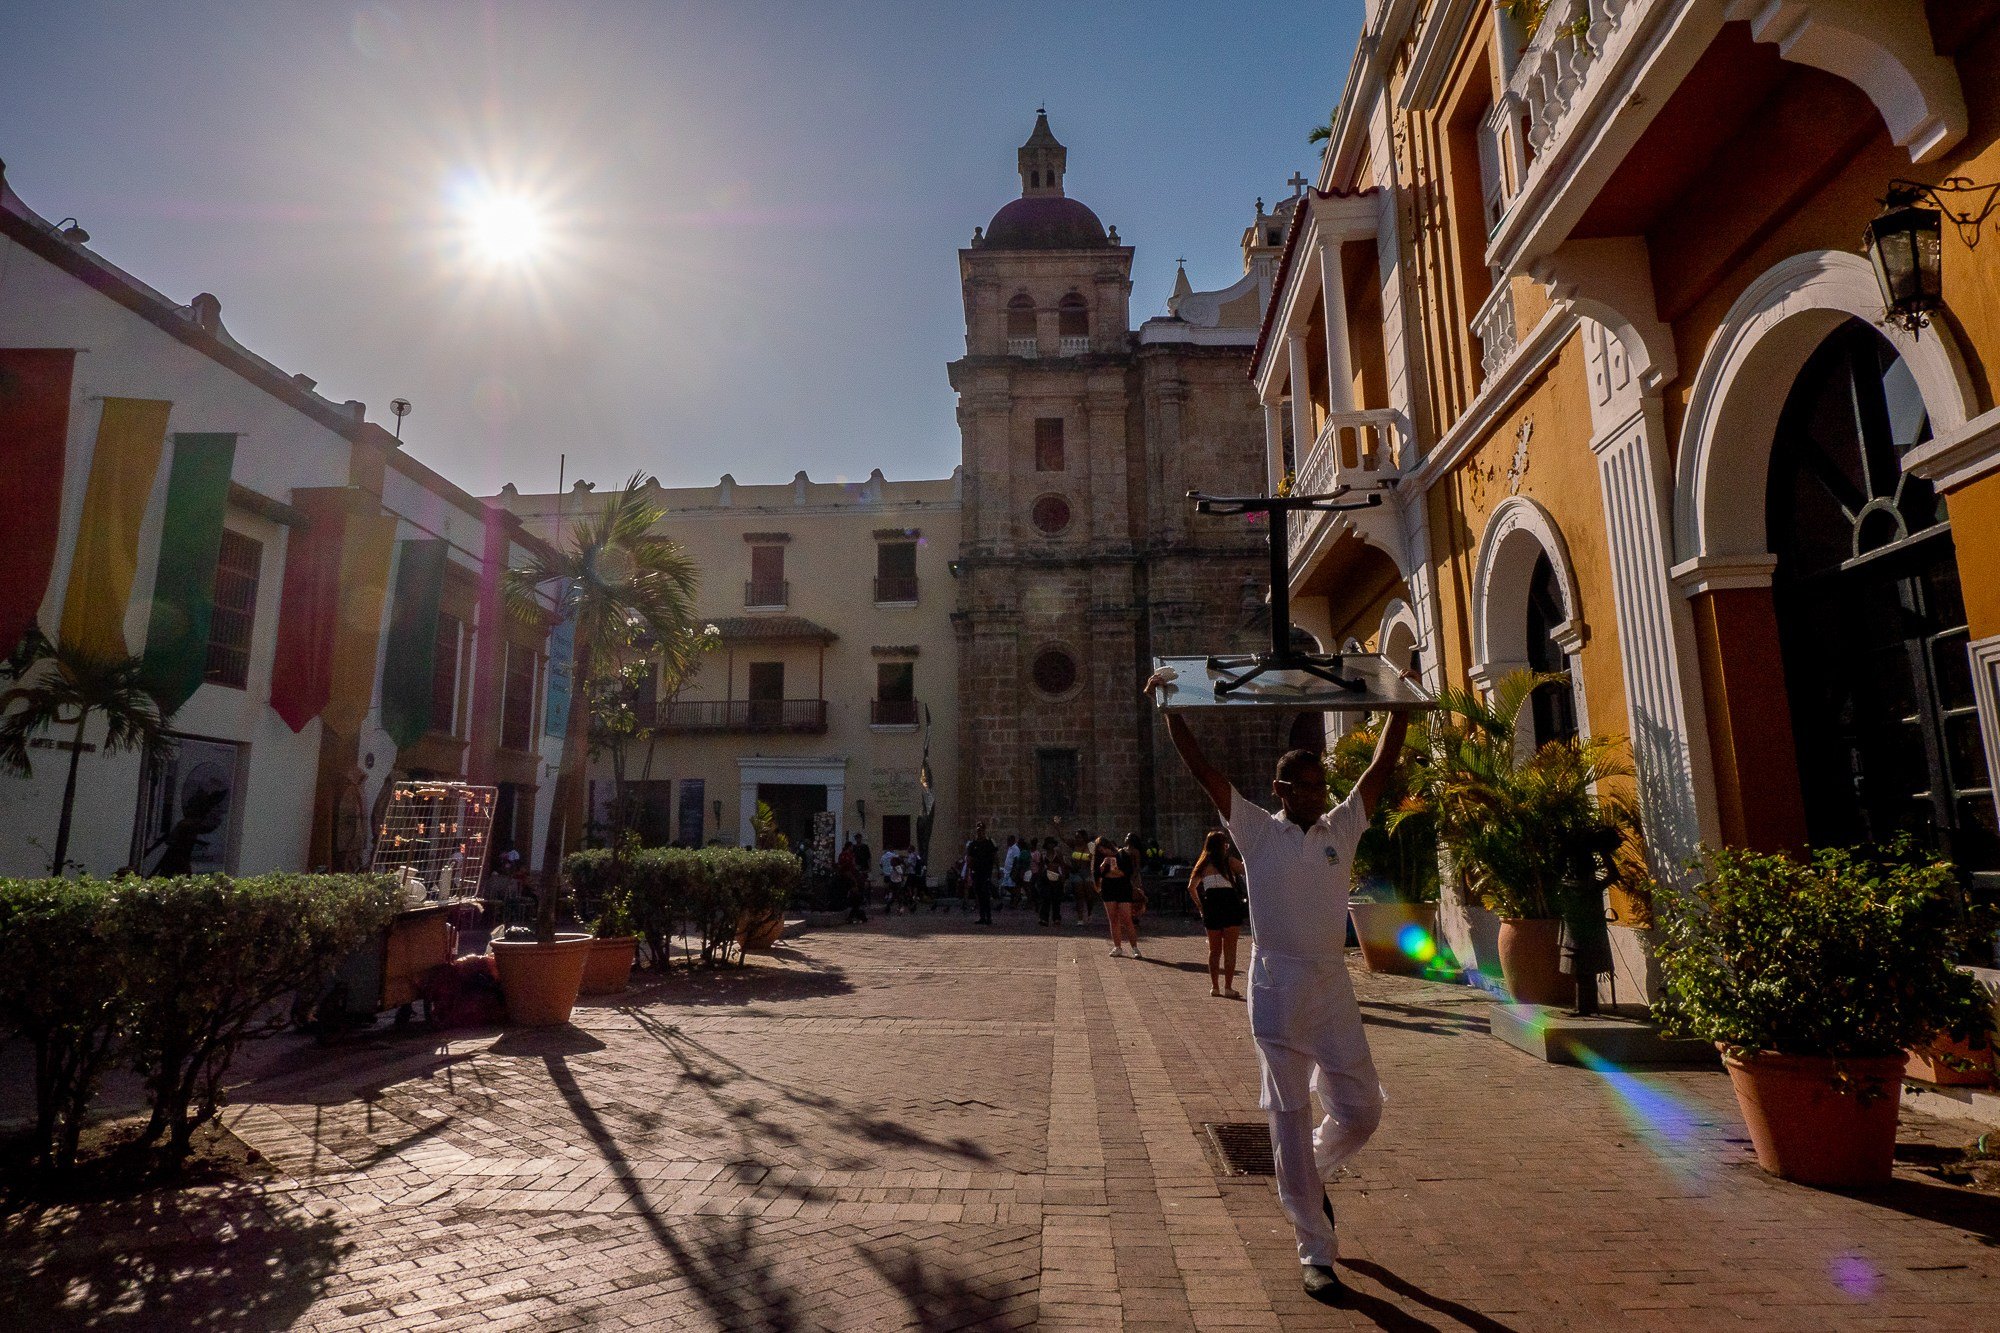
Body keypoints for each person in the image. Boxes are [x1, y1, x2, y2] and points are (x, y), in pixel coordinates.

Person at [1144, 667, 1409, 1308]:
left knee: (1363, 1109)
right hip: (1277, 984)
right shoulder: (1257, 830)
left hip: (1332, 984)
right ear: (1282, 789)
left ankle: (1311, 1172)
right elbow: (1205, 771)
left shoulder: (1340, 830)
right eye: (1308, 786)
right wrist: (1171, 710)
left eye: (1324, 785)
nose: (1321, 794)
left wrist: (1403, 706)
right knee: (1287, 1118)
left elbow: (1378, 771)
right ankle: (1315, 1251)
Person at [1188, 831, 1248, 998]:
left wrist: (1200, 906)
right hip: (1229, 903)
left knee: (1214, 950)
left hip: (1212, 905)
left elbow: (1191, 887)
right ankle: (1228, 987)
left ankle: (1215, 987)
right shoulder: (1229, 862)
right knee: (1230, 949)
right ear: (1223, 846)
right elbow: (1246, 871)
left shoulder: (1203, 865)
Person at [1094, 835, 1140, 957]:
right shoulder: (1101, 858)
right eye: (1100, 851)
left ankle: (1134, 947)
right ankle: (1117, 946)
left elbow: (1127, 873)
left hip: (1123, 888)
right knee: (1113, 919)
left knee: (1127, 919)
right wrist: (1103, 866)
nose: (1103, 852)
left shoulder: (1122, 854)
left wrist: (1114, 872)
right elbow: (1098, 873)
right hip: (1109, 889)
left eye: (1103, 849)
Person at [964, 822, 999, 925]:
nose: (979, 832)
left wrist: (998, 869)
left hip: (986, 872)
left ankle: (988, 917)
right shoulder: (973, 844)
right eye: (978, 830)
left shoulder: (990, 842)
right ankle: (982, 916)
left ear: (984, 830)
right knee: (978, 894)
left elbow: (995, 856)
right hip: (976, 872)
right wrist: (968, 873)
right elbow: (969, 859)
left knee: (986, 893)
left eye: (981, 830)